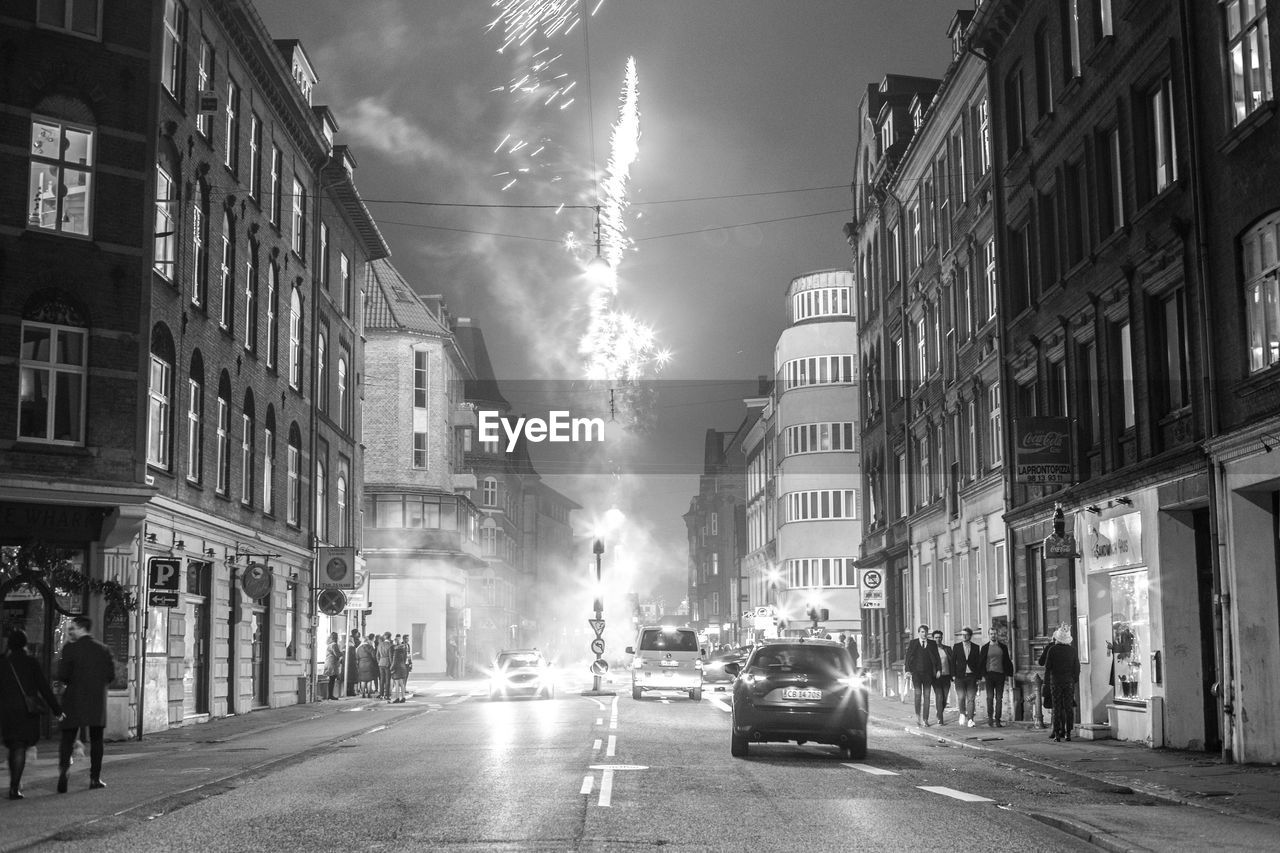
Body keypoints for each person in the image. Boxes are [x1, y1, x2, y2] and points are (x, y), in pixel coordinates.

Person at [1, 629, 62, 799]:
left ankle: (14, 781)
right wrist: (57, 710)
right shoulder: (31, 662)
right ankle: (14, 787)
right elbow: (44, 687)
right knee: (20, 746)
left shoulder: (4, 663)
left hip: (7, 711)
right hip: (26, 711)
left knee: (13, 746)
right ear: (24, 644)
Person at [57, 616, 115, 793]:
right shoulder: (103, 649)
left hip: (73, 698)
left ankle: (64, 772)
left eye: (73, 628)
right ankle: (95, 778)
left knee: (67, 738)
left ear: (81, 627)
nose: (71, 631)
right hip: (96, 699)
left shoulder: (70, 648)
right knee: (97, 739)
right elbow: (111, 675)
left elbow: (63, 675)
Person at [1041, 624, 1080, 742]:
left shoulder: (1052, 650)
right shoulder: (1072, 651)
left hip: (1056, 682)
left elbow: (1048, 667)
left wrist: (1047, 682)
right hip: (1068, 682)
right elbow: (1077, 668)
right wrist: (1073, 680)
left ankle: (1057, 734)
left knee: (1057, 707)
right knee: (1068, 708)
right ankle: (1068, 733)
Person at [904, 625, 940, 727]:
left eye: (926, 632)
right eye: (922, 632)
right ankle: (918, 717)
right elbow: (908, 657)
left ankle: (925, 719)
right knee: (918, 695)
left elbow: (937, 657)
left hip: (928, 674)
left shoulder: (932, 643)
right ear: (919, 633)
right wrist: (907, 671)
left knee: (927, 696)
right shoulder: (913, 643)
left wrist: (938, 670)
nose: (924, 634)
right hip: (916, 674)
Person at [978, 625, 1014, 727]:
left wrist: (1009, 673)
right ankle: (990, 718)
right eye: (991, 634)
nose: (993, 635)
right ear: (989, 635)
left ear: (997, 635)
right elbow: (981, 662)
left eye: (994, 633)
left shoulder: (1003, 647)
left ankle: (997, 719)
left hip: (1000, 675)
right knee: (989, 698)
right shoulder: (985, 648)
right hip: (989, 675)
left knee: (999, 698)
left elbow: (1007, 660)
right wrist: (982, 676)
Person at [951, 627, 981, 728]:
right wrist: (953, 675)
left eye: (966, 634)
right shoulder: (957, 646)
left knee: (971, 699)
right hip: (959, 676)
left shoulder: (976, 647)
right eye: (962, 634)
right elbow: (952, 662)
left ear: (970, 636)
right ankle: (962, 713)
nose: (963, 636)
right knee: (961, 697)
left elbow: (978, 663)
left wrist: (978, 677)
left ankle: (971, 719)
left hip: (972, 676)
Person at [930, 630, 953, 725]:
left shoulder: (947, 649)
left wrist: (954, 675)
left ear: (942, 638)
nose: (938, 639)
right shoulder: (930, 650)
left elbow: (952, 662)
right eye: (936, 637)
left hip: (946, 676)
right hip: (936, 678)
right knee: (939, 696)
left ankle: (939, 712)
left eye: (939, 637)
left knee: (945, 698)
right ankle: (940, 718)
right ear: (933, 638)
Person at [356, 634, 378, 698]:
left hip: (361, 665)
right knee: (369, 680)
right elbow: (374, 656)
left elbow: (357, 657)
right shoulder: (370, 647)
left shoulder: (359, 648)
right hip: (369, 665)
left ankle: (363, 693)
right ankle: (369, 693)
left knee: (362, 680)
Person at [390, 635, 409, 703]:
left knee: (397, 684)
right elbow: (404, 659)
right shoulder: (403, 649)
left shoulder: (396, 651)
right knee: (402, 683)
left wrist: (391, 668)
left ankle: (397, 698)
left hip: (397, 669)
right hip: (402, 667)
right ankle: (403, 697)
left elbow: (394, 661)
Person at [324, 633, 342, 700]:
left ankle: (330, 695)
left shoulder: (329, 645)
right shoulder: (334, 645)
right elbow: (337, 654)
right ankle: (330, 695)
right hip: (332, 664)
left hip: (329, 663)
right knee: (332, 680)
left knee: (331, 680)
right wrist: (343, 652)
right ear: (335, 637)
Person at [376, 632, 393, 700]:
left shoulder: (380, 645)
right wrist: (392, 664)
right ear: (389, 637)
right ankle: (387, 695)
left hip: (381, 663)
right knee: (387, 679)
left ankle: (381, 694)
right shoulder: (390, 645)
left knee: (382, 679)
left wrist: (379, 662)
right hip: (387, 663)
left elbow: (377, 655)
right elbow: (390, 656)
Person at [345, 629, 360, 697]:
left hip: (348, 663)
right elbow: (355, 654)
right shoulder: (352, 646)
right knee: (352, 678)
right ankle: (351, 691)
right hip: (352, 663)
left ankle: (350, 690)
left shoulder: (347, 645)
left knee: (350, 678)